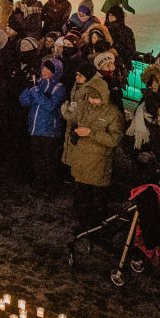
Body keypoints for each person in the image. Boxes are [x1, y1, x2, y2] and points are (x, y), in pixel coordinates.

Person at [61, 72, 123, 232]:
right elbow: (74, 120)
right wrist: (73, 129)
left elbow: (114, 139)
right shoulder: (83, 106)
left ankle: (96, 229)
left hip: (98, 165)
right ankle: (82, 225)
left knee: (97, 201)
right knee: (82, 197)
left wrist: (91, 133)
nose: (91, 100)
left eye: (94, 97)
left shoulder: (113, 113)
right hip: (81, 162)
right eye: (89, 97)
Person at [20, 57, 67, 193]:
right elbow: (24, 102)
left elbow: (51, 106)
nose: (44, 71)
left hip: (49, 130)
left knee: (50, 160)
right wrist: (28, 90)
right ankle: (40, 183)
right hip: (35, 128)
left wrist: (36, 93)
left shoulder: (59, 88)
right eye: (44, 68)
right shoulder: (38, 84)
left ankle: (50, 186)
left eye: (48, 69)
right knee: (38, 159)